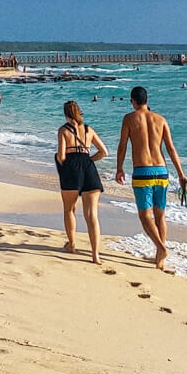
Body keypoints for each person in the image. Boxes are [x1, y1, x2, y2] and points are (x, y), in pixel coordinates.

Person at [115, 86, 187, 272]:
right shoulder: (161, 119)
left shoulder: (129, 119)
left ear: (133, 101)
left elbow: (122, 146)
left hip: (142, 171)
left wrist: (119, 168)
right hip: (162, 171)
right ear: (146, 100)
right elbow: (171, 148)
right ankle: (159, 259)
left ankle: (162, 249)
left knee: (144, 215)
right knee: (160, 215)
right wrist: (181, 174)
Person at [55, 100, 108, 264]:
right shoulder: (88, 130)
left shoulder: (63, 130)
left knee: (69, 209)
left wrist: (60, 160)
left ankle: (71, 244)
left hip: (71, 169)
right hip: (88, 168)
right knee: (92, 215)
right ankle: (95, 254)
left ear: (66, 114)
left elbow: (62, 156)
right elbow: (104, 152)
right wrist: (88, 160)